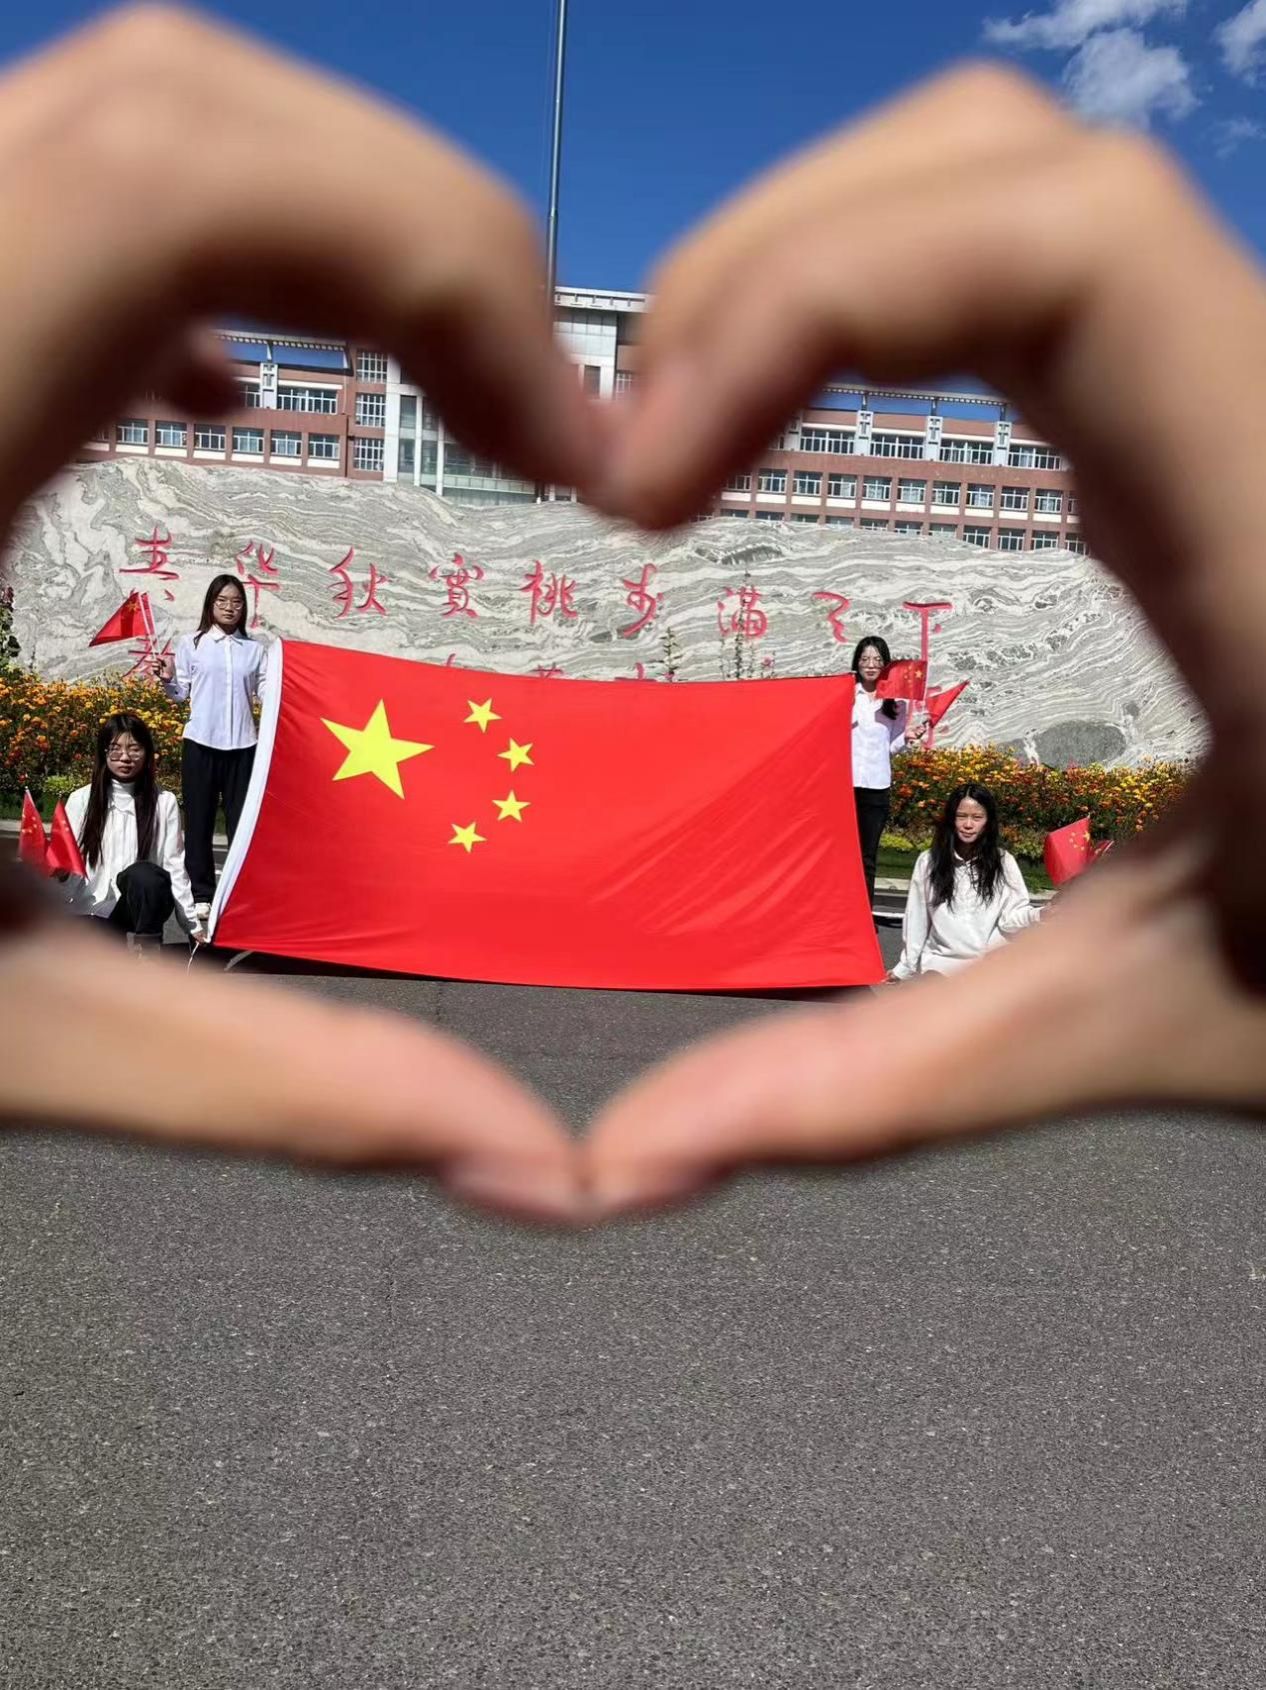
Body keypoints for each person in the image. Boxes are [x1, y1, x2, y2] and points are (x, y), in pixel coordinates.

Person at [0, 11, 1265, 1223]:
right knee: (203, 823)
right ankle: (194, 905)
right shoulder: (216, 649)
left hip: (861, 788)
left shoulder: (861, 708)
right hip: (225, 741)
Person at [153, 573, 267, 922]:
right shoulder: (192, 644)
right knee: (199, 821)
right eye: (223, 601)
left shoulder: (254, 650)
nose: (230, 608)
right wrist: (168, 679)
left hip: (243, 746)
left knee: (242, 824)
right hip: (201, 743)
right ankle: (202, 893)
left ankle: (240, 893)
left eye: (237, 602)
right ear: (210, 604)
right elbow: (180, 694)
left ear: (244, 608)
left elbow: (266, 692)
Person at [59, 711, 203, 953]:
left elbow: (174, 865)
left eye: (134, 749)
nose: (125, 757)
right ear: (103, 753)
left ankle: (148, 949)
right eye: (115, 749)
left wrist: (191, 924)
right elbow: (67, 862)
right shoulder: (81, 799)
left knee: (145, 875)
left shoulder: (163, 801)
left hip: (139, 906)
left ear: (147, 754)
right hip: (91, 906)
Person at [889, 783, 1040, 981]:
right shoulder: (929, 861)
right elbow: (917, 918)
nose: (968, 825)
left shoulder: (1004, 862)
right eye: (961, 816)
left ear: (988, 822)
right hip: (938, 966)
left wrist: (1040, 914)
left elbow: (1011, 919)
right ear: (951, 819)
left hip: (986, 970)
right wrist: (904, 969)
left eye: (977, 818)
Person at [850, 634, 925, 910]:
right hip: (845, 786)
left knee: (868, 856)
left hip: (876, 787)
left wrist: (907, 737)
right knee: (844, 853)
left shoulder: (895, 703)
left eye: (877, 660)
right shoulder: (847, 694)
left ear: (886, 665)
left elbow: (889, 747)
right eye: (865, 659)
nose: (870, 665)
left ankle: (862, 912)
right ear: (857, 662)